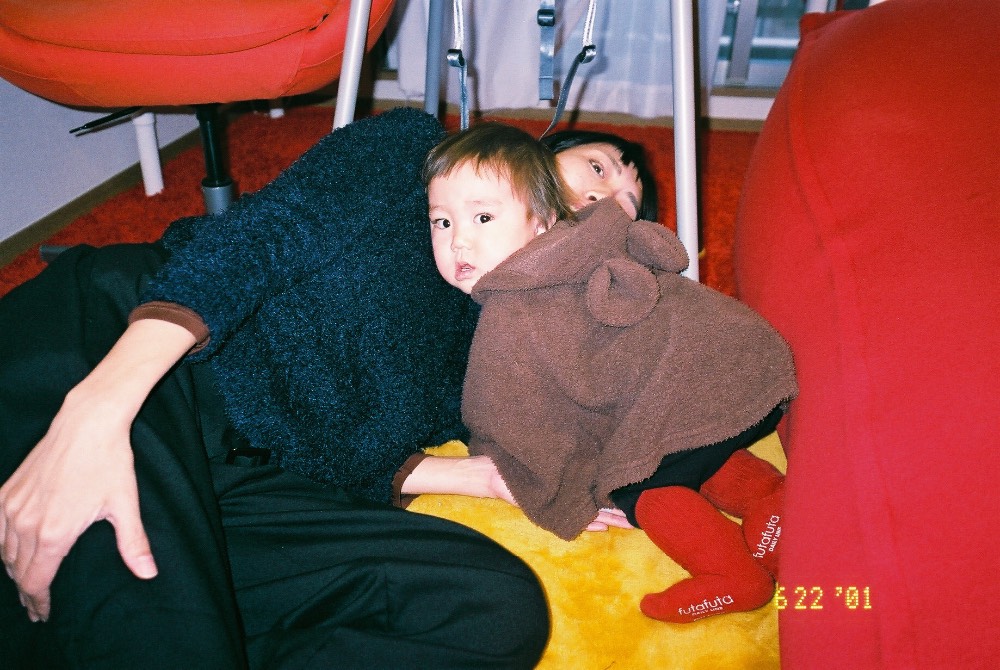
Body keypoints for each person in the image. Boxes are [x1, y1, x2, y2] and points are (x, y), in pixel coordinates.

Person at [0, 108, 655, 667]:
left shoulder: (505, 345)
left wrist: (480, 477)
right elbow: (260, 238)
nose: (606, 199)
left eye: (626, 206)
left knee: (493, 607)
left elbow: (347, 453)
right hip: (140, 356)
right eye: (600, 167)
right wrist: (96, 409)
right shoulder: (412, 152)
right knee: (149, 625)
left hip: (244, 480)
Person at [423, 122, 798, 624]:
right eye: (441, 222)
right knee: (689, 444)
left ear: (542, 220)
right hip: (739, 366)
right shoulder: (581, 252)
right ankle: (771, 503)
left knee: (636, 479)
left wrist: (543, 481)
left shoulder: (517, 302)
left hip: (694, 369)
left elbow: (508, 409)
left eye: (484, 217)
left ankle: (731, 574)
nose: (459, 241)